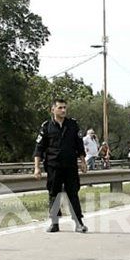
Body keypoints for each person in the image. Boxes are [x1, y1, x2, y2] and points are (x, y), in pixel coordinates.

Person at [33, 98, 88, 233]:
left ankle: (79, 223)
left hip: (70, 165)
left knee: (73, 193)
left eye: (65, 108)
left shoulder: (72, 125)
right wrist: (37, 168)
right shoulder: (46, 126)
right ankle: (54, 223)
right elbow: (39, 148)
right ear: (53, 109)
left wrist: (83, 162)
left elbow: (79, 145)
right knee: (54, 194)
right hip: (53, 166)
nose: (63, 110)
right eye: (60, 108)